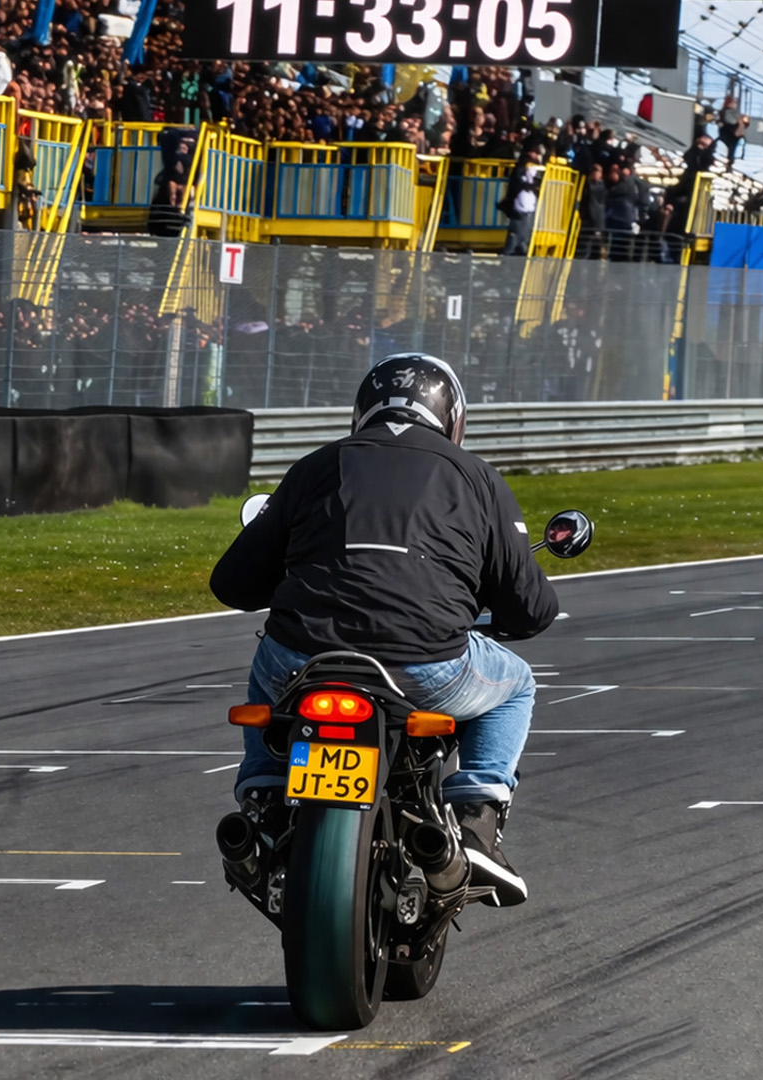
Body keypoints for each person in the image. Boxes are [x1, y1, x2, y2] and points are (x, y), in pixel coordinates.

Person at [210, 354, 558, 906]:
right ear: (453, 418)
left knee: (266, 661)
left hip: (303, 659)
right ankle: (476, 820)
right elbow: (531, 611)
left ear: (361, 412)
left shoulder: (317, 466)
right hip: (425, 666)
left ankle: (264, 798)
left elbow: (232, 585)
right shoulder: (476, 476)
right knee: (515, 684)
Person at [499, 143, 544, 257]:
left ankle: (514, 253)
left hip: (524, 204)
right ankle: (510, 254)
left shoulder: (523, 166)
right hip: (522, 204)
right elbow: (526, 182)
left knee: (520, 234)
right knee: (518, 234)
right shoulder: (526, 165)